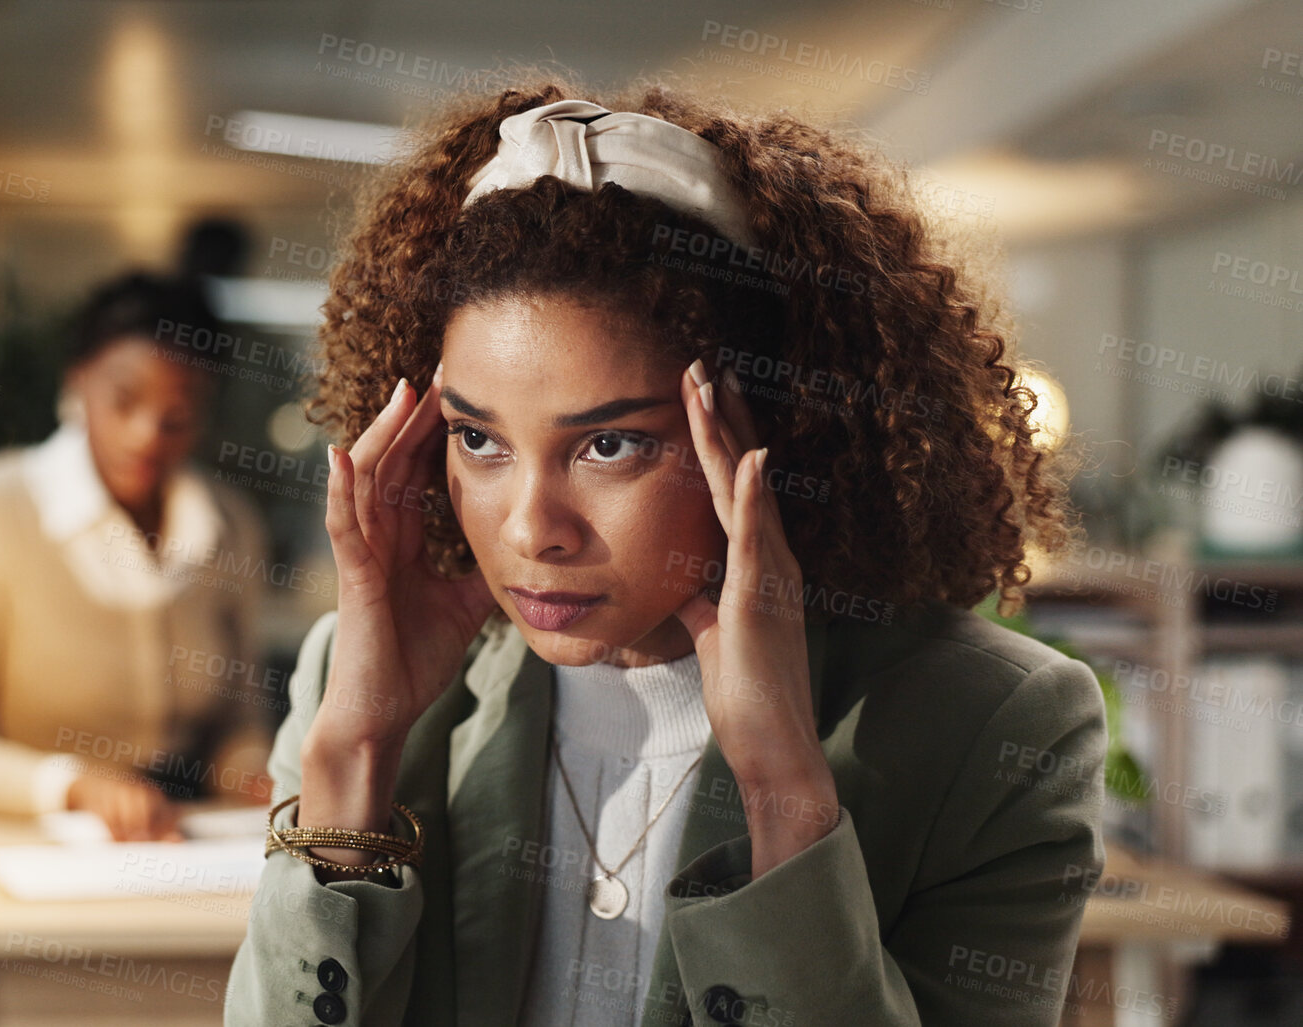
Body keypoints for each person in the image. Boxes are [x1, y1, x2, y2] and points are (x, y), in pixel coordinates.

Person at [224, 83, 1105, 1026]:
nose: (530, 529)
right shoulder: (353, 677)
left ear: (770, 427)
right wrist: (356, 751)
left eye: (609, 444)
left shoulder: (995, 724)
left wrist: (783, 795)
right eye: (478, 439)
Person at [0, 273, 275, 841]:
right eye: (125, 400)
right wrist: (77, 786)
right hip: (25, 851)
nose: (146, 436)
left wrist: (258, 777)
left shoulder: (230, 525)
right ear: (77, 381)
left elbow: (238, 724)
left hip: (183, 844)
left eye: (177, 416)